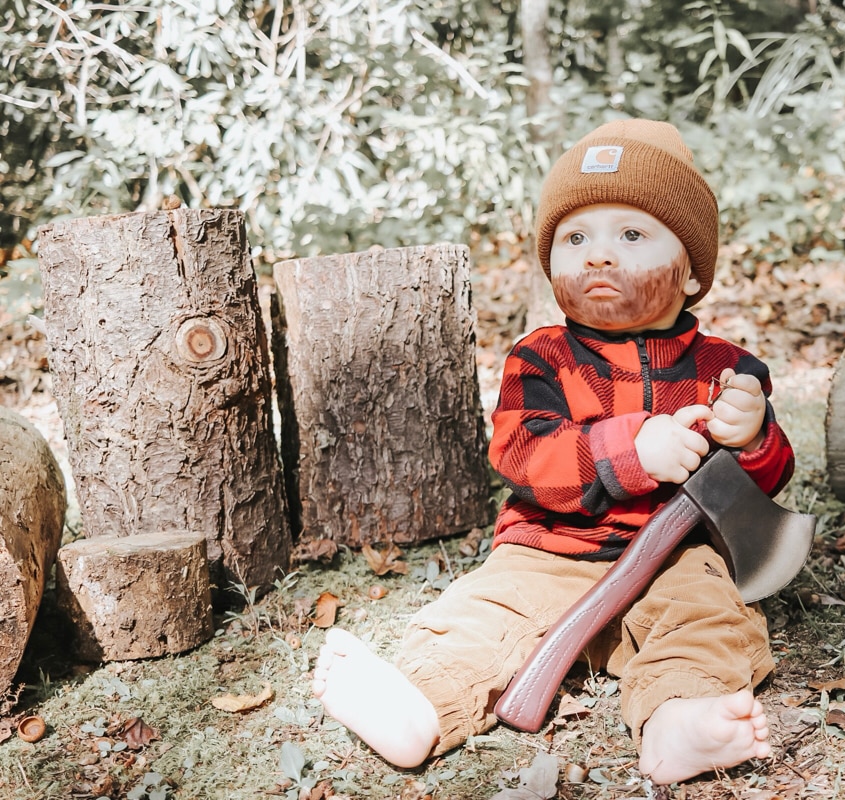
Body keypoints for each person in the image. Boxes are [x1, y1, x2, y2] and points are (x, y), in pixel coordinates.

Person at [312, 118, 796, 785]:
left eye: (631, 235)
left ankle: (679, 721)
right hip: (550, 551)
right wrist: (631, 452)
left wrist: (754, 437)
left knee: (708, 617)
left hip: (677, 558)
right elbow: (521, 450)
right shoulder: (541, 357)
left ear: (690, 274)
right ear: (552, 266)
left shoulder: (728, 368)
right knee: (487, 614)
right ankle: (419, 704)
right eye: (576, 238)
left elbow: (762, 489)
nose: (598, 255)